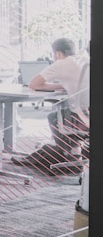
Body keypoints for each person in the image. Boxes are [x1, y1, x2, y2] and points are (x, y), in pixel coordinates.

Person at [12, 38, 90, 172]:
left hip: (83, 118)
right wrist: (64, 84)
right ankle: (74, 153)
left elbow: (34, 84)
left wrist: (58, 85)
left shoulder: (61, 63)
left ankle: (67, 155)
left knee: (54, 116)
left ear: (58, 53)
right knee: (66, 113)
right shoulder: (85, 58)